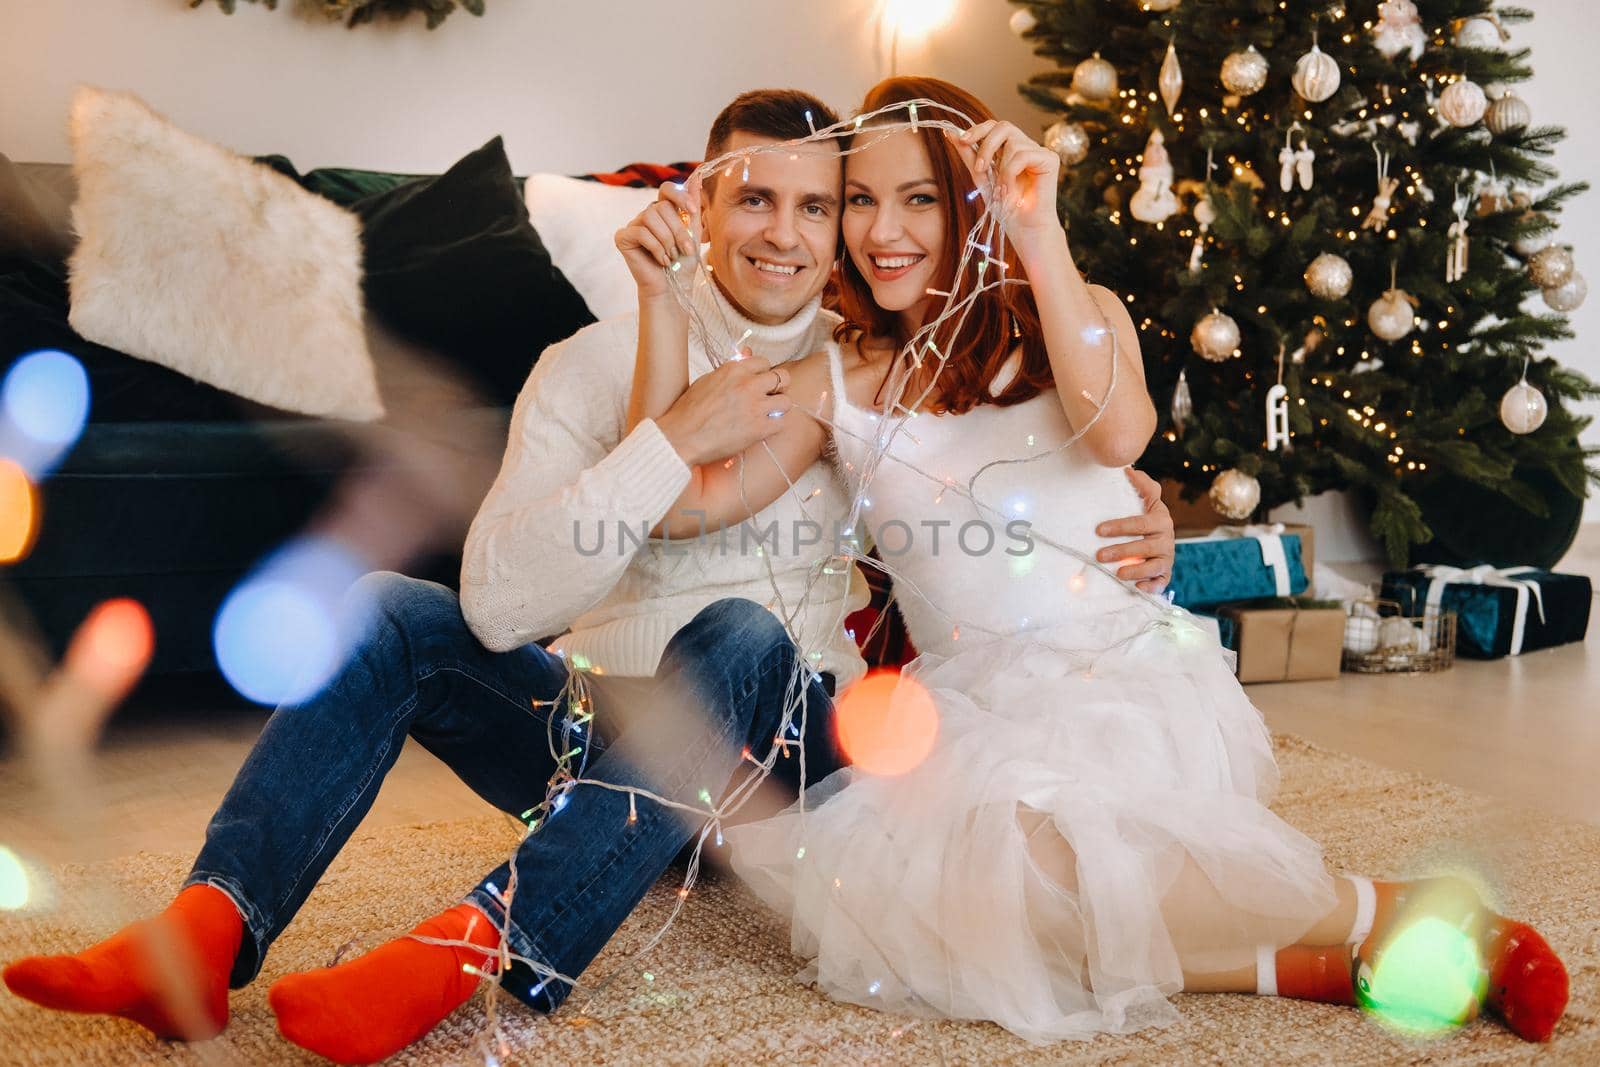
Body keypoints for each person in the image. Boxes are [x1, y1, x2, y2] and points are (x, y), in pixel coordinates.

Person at [2, 88, 1180, 1064]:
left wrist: (1129, 514)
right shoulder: (581, 368)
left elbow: (993, 479)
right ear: (696, 203)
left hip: (782, 768)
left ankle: (471, 949)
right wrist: (669, 430)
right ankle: (207, 929)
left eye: (820, 206)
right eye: (754, 196)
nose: (787, 231)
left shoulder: (863, 367)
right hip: (591, 759)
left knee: (740, 633)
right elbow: (500, 608)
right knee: (390, 612)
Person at [633, 77, 1570, 1045]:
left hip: (1118, 670)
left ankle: (1402, 906)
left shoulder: (1071, 316)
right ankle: (1310, 961)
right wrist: (658, 302)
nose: (883, 230)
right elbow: (670, 499)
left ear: (974, 203)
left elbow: (1117, 432)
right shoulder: (838, 377)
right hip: (966, 704)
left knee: (1049, 869)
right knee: (933, 906)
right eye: (860, 199)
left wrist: (1037, 232)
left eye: (919, 197)